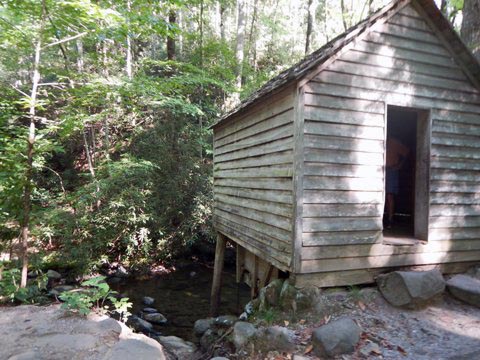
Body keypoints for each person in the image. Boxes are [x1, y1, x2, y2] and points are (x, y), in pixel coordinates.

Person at [385, 136, 409, 228]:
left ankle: (390, 220)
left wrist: (400, 165)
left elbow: (407, 152)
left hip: (391, 169)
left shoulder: (394, 142)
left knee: (389, 195)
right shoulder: (379, 140)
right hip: (381, 169)